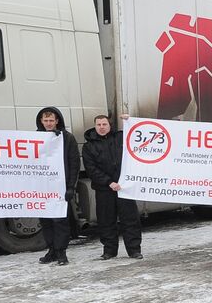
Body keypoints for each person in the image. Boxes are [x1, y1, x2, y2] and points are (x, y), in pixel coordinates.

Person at [82, 114, 142, 260]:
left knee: (130, 220)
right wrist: (109, 182)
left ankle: (134, 250)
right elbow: (91, 169)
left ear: (110, 126)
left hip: (124, 188)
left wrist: (129, 119)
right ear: (95, 126)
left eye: (104, 124)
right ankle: (109, 251)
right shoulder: (89, 146)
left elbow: (138, 135)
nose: (101, 127)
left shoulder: (121, 138)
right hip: (104, 189)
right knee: (106, 221)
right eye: (99, 125)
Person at [36, 105, 80, 266]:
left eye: (51, 120)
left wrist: (71, 187)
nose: (48, 123)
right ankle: (52, 250)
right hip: (42, 188)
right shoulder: (34, 138)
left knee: (60, 221)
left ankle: (61, 252)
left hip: (60, 188)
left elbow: (74, 163)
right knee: (46, 221)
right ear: (41, 121)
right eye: (45, 120)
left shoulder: (67, 138)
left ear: (57, 121)